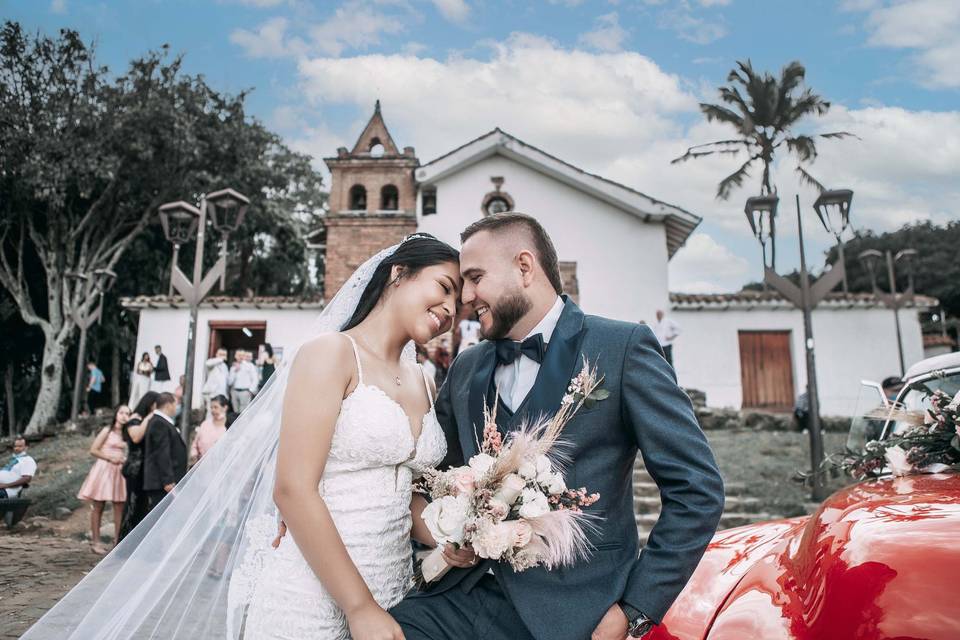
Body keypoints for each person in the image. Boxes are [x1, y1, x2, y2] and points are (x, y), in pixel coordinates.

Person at [20, 233, 460, 639]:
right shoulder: (331, 354)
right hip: (314, 594)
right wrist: (359, 606)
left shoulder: (423, 379)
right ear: (398, 273)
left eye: (460, 302)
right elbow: (292, 489)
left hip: (394, 588)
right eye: (444, 287)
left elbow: (403, 493)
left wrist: (456, 536)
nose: (451, 309)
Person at [389, 213, 724, 640]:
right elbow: (433, 475)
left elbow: (697, 489)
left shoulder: (621, 348)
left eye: (474, 278)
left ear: (524, 267)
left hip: (572, 614)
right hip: (454, 600)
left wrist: (635, 609)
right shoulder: (466, 367)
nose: (465, 298)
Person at [77, 404, 129, 554]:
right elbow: (93, 449)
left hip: (120, 471)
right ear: (116, 414)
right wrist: (110, 457)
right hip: (104, 469)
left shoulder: (127, 434)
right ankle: (96, 542)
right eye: (122, 412)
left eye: (127, 413)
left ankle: (117, 542)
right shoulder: (107, 430)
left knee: (119, 506)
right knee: (98, 505)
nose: (124, 416)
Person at [118, 391, 158, 540]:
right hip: (135, 467)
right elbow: (136, 437)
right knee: (132, 505)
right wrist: (149, 417)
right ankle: (124, 541)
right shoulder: (135, 419)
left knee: (143, 506)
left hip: (145, 468)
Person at [141, 392, 186, 514]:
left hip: (163, 482)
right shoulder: (159, 423)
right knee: (161, 517)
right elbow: (162, 453)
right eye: (175, 404)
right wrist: (167, 480)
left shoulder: (160, 421)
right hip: (161, 483)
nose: (176, 408)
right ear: (168, 405)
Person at [189, 394, 229, 464]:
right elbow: (195, 444)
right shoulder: (205, 424)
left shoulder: (228, 426)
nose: (212, 410)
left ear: (224, 408)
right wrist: (194, 455)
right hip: (202, 465)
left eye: (216, 407)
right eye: (211, 407)